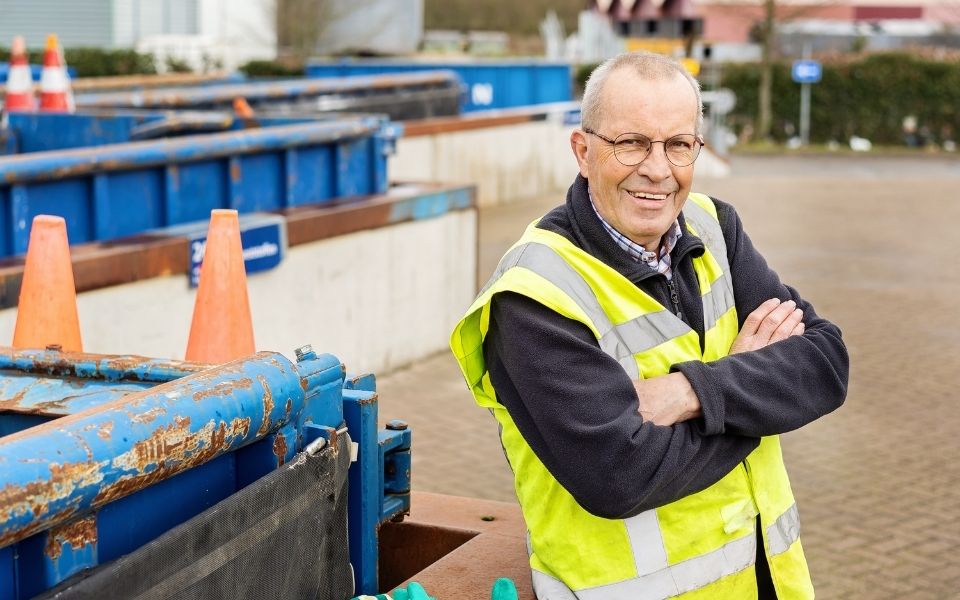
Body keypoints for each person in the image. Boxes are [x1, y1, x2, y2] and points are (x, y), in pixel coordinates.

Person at [450, 51, 848, 600]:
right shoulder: (534, 295)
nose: (658, 169)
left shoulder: (714, 228)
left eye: (679, 145)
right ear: (583, 151)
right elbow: (619, 475)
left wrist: (691, 390)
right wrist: (759, 392)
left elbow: (826, 365)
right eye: (631, 142)